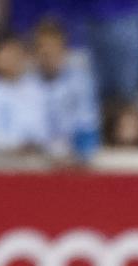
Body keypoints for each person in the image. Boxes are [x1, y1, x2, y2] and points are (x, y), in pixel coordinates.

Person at [32, 18, 100, 160]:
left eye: (53, 47)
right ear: (34, 52)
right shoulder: (25, 84)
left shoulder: (80, 83)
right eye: (42, 48)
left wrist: (78, 149)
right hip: (31, 160)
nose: (47, 53)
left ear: (64, 50)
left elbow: (88, 125)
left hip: (72, 158)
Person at [0, 34, 48, 153]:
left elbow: (46, 131)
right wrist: (20, 146)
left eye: (16, 54)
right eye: (7, 55)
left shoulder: (39, 90)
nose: (12, 60)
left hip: (38, 160)